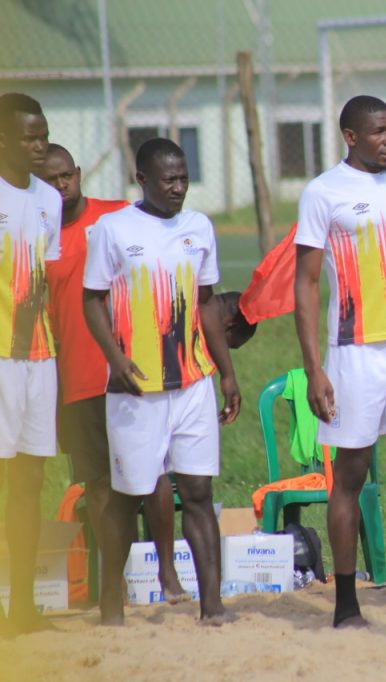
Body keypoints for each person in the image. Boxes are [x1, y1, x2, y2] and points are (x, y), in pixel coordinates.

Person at [294, 95, 386, 628]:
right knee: (350, 474)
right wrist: (314, 368)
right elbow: (306, 284)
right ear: (351, 137)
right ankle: (346, 603)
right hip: (354, 350)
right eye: (379, 132)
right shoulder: (323, 192)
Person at [83, 138, 239, 625]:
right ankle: (112, 606)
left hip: (193, 385)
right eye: (169, 180)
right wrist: (115, 359)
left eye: (184, 178)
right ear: (142, 180)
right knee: (126, 496)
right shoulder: (112, 230)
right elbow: (92, 300)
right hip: (136, 390)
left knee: (198, 493)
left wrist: (227, 373)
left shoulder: (198, 227)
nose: (178, 187)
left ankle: (212, 607)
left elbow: (207, 303)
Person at [41, 143, 190, 604]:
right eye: (49, 181)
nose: (60, 186)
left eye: (66, 176)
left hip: (133, 373)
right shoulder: (39, 237)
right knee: (100, 486)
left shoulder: (119, 217)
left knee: (153, 475)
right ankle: (114, 583)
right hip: (77, 381)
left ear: (78, 172)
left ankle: (167, 573)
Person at [0, 92, 60, 634]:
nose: (40, 146)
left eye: (43, 135)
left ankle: (21, 606)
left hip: (39, 358)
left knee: (30, 479)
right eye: (29, 137)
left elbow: (48, 280)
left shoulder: (48, 200)